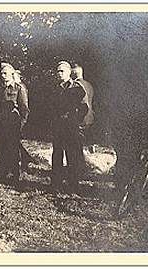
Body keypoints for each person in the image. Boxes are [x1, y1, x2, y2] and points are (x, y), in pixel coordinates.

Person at [50, 61, 88, 191]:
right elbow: (51, 107)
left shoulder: (76, 87)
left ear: (69, 73)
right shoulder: (55, 88)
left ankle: (73, 184)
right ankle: (56, 183)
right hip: (58, 126)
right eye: (58, 71)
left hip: (71, 126)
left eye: (62, 71)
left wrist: (76, 120)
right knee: (57, 154)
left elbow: (84, 107)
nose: (59, 74)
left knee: (73, 155)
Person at [0, 63, 29, 182]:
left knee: (13, 149)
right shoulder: (0, 88)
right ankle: (3, 172)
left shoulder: (19, 88)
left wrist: (21, 125)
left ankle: (15, 174)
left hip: (13, 123)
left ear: (12, 74)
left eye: (5, 73)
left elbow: (24, 108)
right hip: (1, 123)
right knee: (1, 147)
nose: (3, 76)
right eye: (2, 74)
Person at [13, 69, 35, 169]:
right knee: (15, 141)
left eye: (14, 76)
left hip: (19, 119)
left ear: (19, 77)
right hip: (14, 120)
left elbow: (24, 107)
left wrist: (22, 122)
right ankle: (25, 158)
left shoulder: (20, 87)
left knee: (14, 141)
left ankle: (24, 160)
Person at [72, 63, 95, 148]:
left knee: (78, 141)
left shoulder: (75, 85)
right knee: (87, 136)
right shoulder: (89, 85)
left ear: (74, 73)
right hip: (90, 115)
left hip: (80, 115)